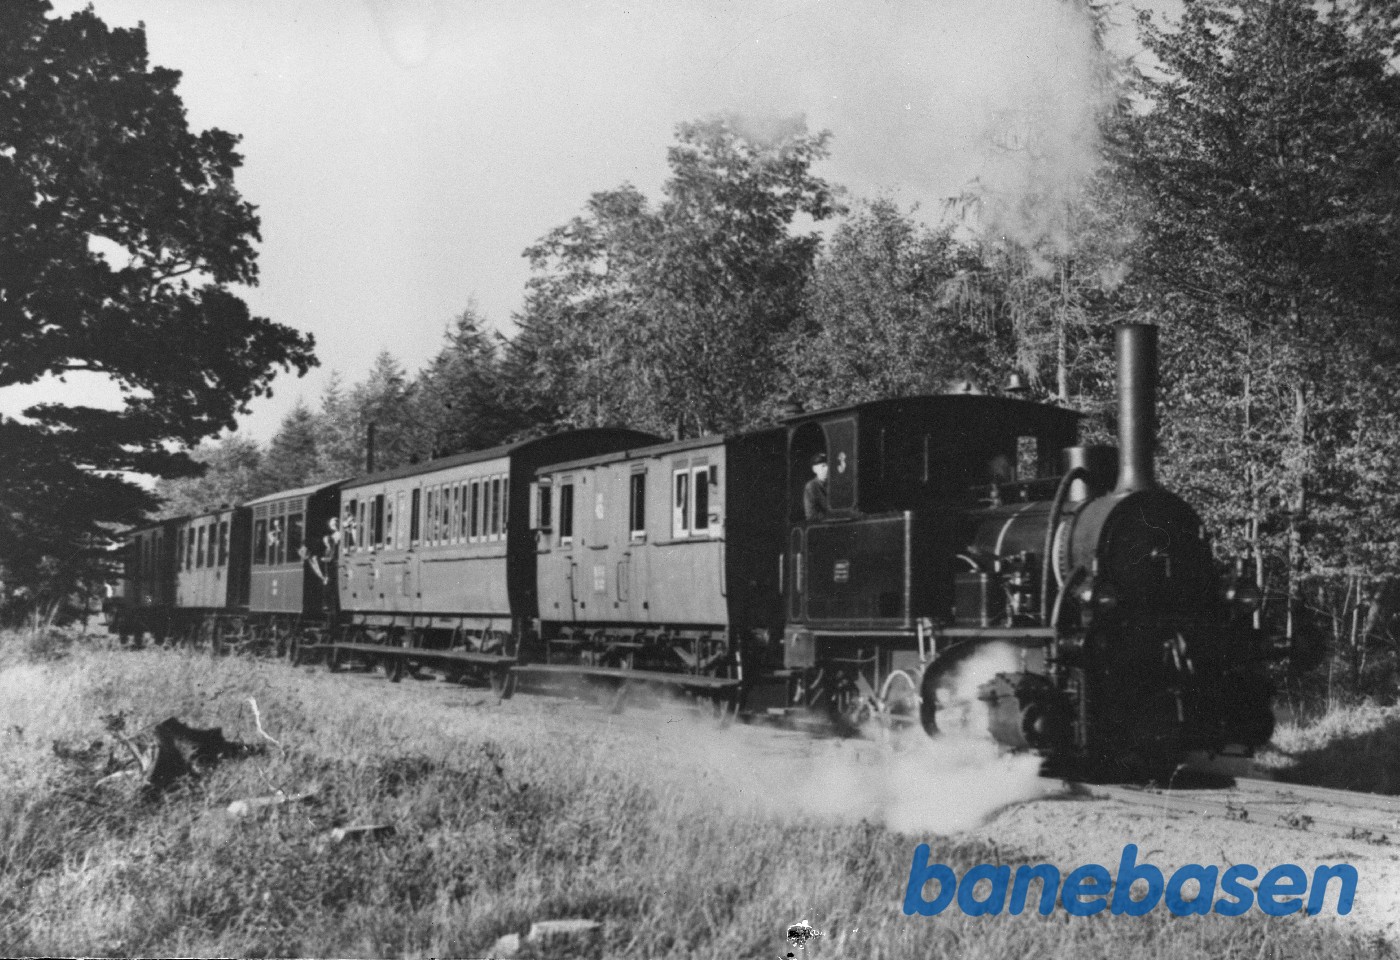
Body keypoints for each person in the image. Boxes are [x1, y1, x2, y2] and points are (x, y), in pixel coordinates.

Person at [804, 452, 830, 521]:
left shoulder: (834, 484)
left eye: (828, 465)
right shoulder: (811, 486)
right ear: (814, 469)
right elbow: (811, 515)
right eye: (823, 466)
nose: (827, 468)